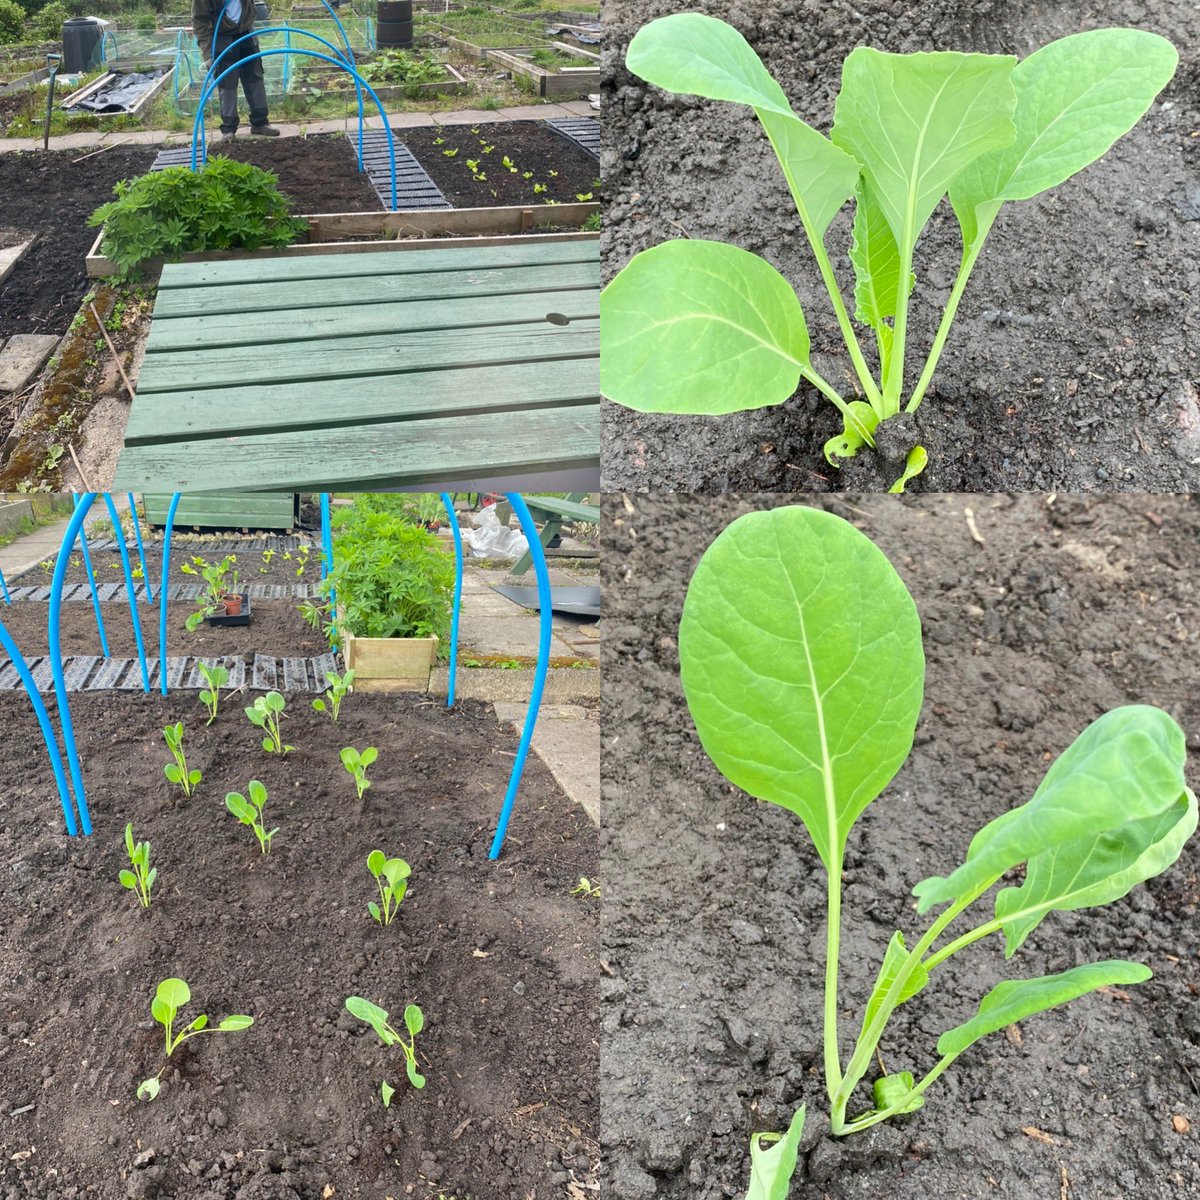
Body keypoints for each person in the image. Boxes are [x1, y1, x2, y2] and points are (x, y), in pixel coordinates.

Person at [192, 0, 280, 139]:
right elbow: (199, 22)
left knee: (255, 78)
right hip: (222, 37)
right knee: (227, 83)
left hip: (246, 33)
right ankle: (229, 129)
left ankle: (260, 123)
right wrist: (208, 54)